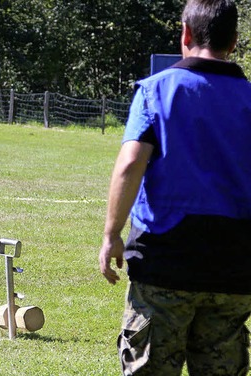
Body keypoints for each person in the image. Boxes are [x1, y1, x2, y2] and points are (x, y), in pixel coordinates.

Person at [98, 0, 251, 374]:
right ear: (233, 41)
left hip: (164, 262)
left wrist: (111, 234)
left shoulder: (156, 91)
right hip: (235, 266)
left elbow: (131, 163)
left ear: (185, 33)